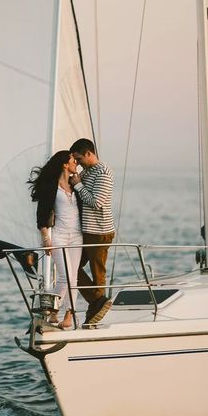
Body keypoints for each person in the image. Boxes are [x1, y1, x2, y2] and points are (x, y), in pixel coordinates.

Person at [28, 151, 83, 330]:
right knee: (64, 276)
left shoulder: (76, 184)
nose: (76, 163)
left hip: (77, 237)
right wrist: (46, 238)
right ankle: (53, 311)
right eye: (74, 161)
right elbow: (41, 216)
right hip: (59, 235)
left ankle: (67, 315)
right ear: (65, 165)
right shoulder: (51, 186)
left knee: (72, 278)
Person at [69, 138, 115, 326]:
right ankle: (96, 302)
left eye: (79, 159)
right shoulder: (87, 171)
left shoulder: (103, 172)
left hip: (99, 230)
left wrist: (78, 185)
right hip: (87, 230)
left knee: (98, 274)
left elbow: (97, 202)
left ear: (89, 153)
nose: (78, 163)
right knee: (71, 268)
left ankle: (96, 305)